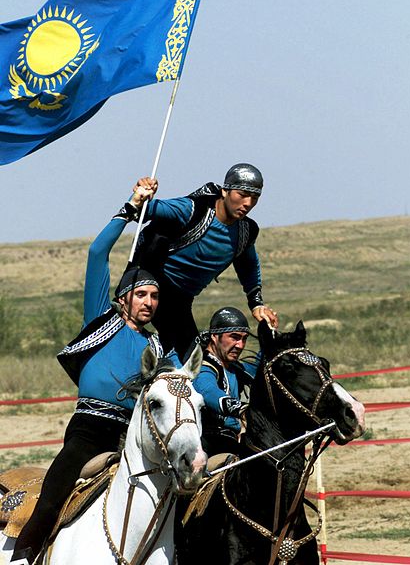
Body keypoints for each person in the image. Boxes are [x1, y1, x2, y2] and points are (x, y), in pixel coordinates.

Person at [11, 182, 173, 565]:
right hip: (88, 432)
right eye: (141, 295)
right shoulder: (102, 321)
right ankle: (23, 558)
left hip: (132, 434)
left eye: (154, 297)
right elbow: (97, 253)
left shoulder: (158, 348)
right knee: (51, 500)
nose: (149, 302)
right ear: (123, 298)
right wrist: (131, 207)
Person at [131, 163, 278, 361]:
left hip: (181, 300)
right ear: (225, 191)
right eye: (242, 194)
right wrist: (142, 195)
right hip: (148, 285)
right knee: (183, 355)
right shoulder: (193, 209)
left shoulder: (245, 231)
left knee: (194, 360)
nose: (248, 203)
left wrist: (256, 304)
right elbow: (142, 211)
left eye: (255, 197)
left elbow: (248, 265)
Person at [193, 306, 277, 456]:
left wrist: (269, 330)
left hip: (232, 443)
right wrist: (241, 409)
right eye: (234, 337)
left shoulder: (235, 368)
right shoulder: (203, 367)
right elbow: (208, 391)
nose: (241, 345)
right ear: (215, 336)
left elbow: (260, 367)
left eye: (244, 338)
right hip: (207, 445)